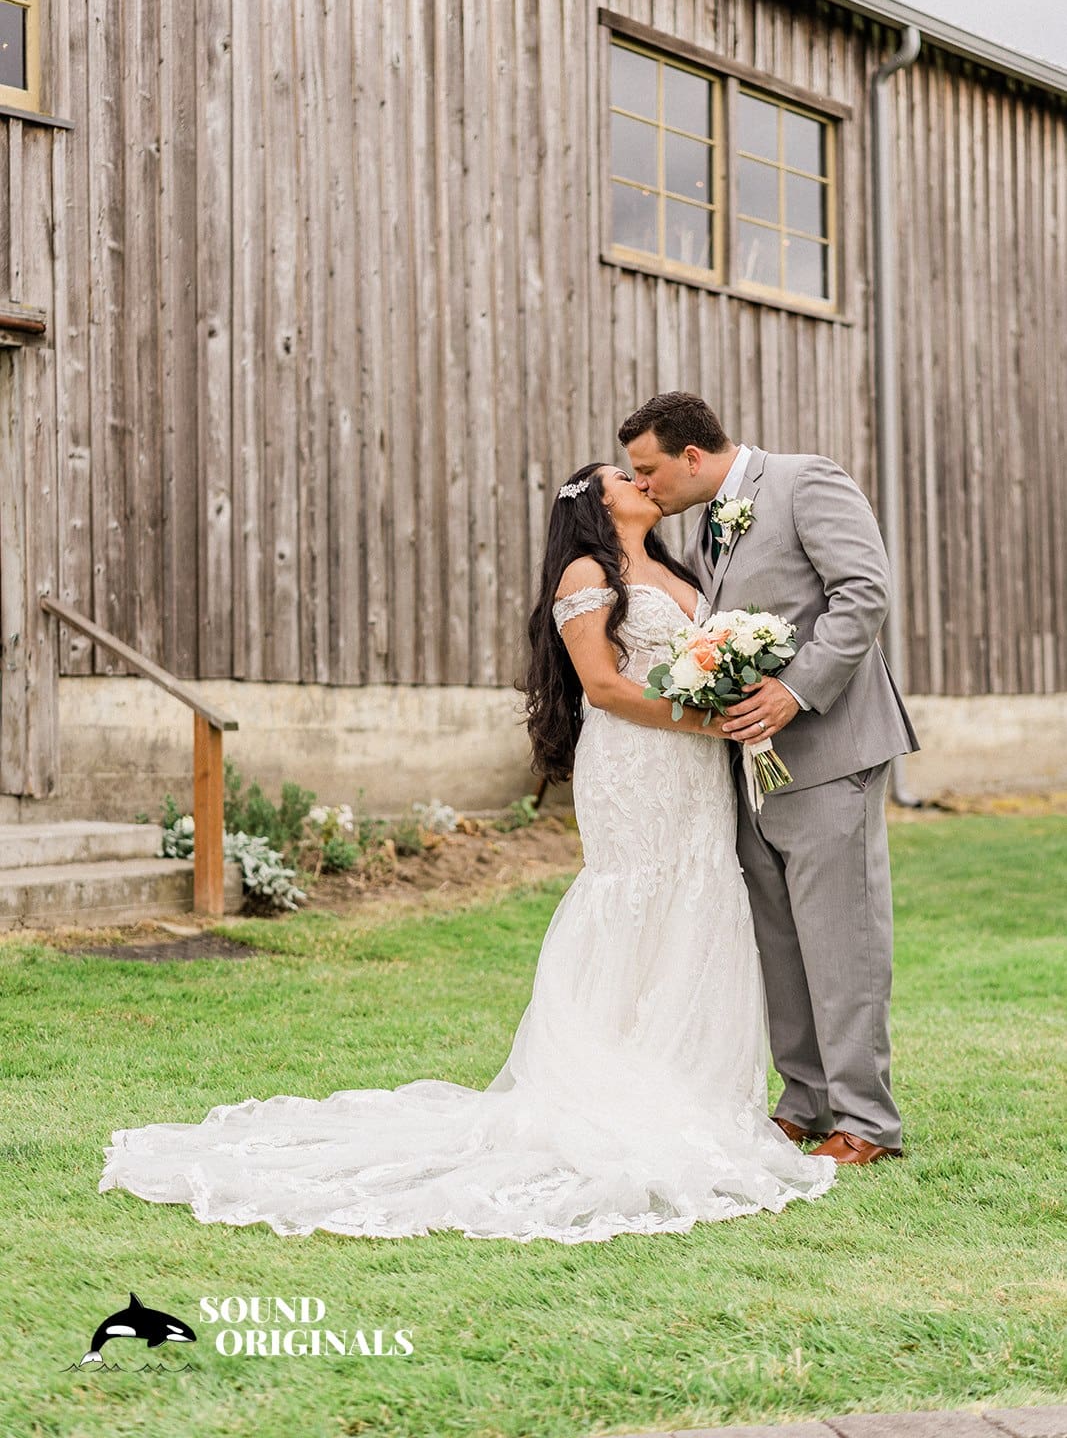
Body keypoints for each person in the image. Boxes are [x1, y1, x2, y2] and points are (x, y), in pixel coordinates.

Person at [97, 461, 836, 1242]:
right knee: (635, 893)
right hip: (638, 764)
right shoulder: (588, 571)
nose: (641, 481)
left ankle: (687, 1077)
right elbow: (604, 688)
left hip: (696, 774)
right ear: (593, 502)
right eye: (623, 475)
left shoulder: (676, 567)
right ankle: (608, 1078)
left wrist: (725, 690)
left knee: (698, 891)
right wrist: (704, 724)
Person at [619, 391, 920, 1165]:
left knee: (840, 941)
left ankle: (867, 1123)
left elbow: (863, 593)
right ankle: (806, 1102)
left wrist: (794, 688)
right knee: (779, 941)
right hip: (753, 768)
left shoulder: (803, 481)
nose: (642, 485)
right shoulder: (712, 523)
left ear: (692, 456)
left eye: (647, 469)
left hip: (829, 749)